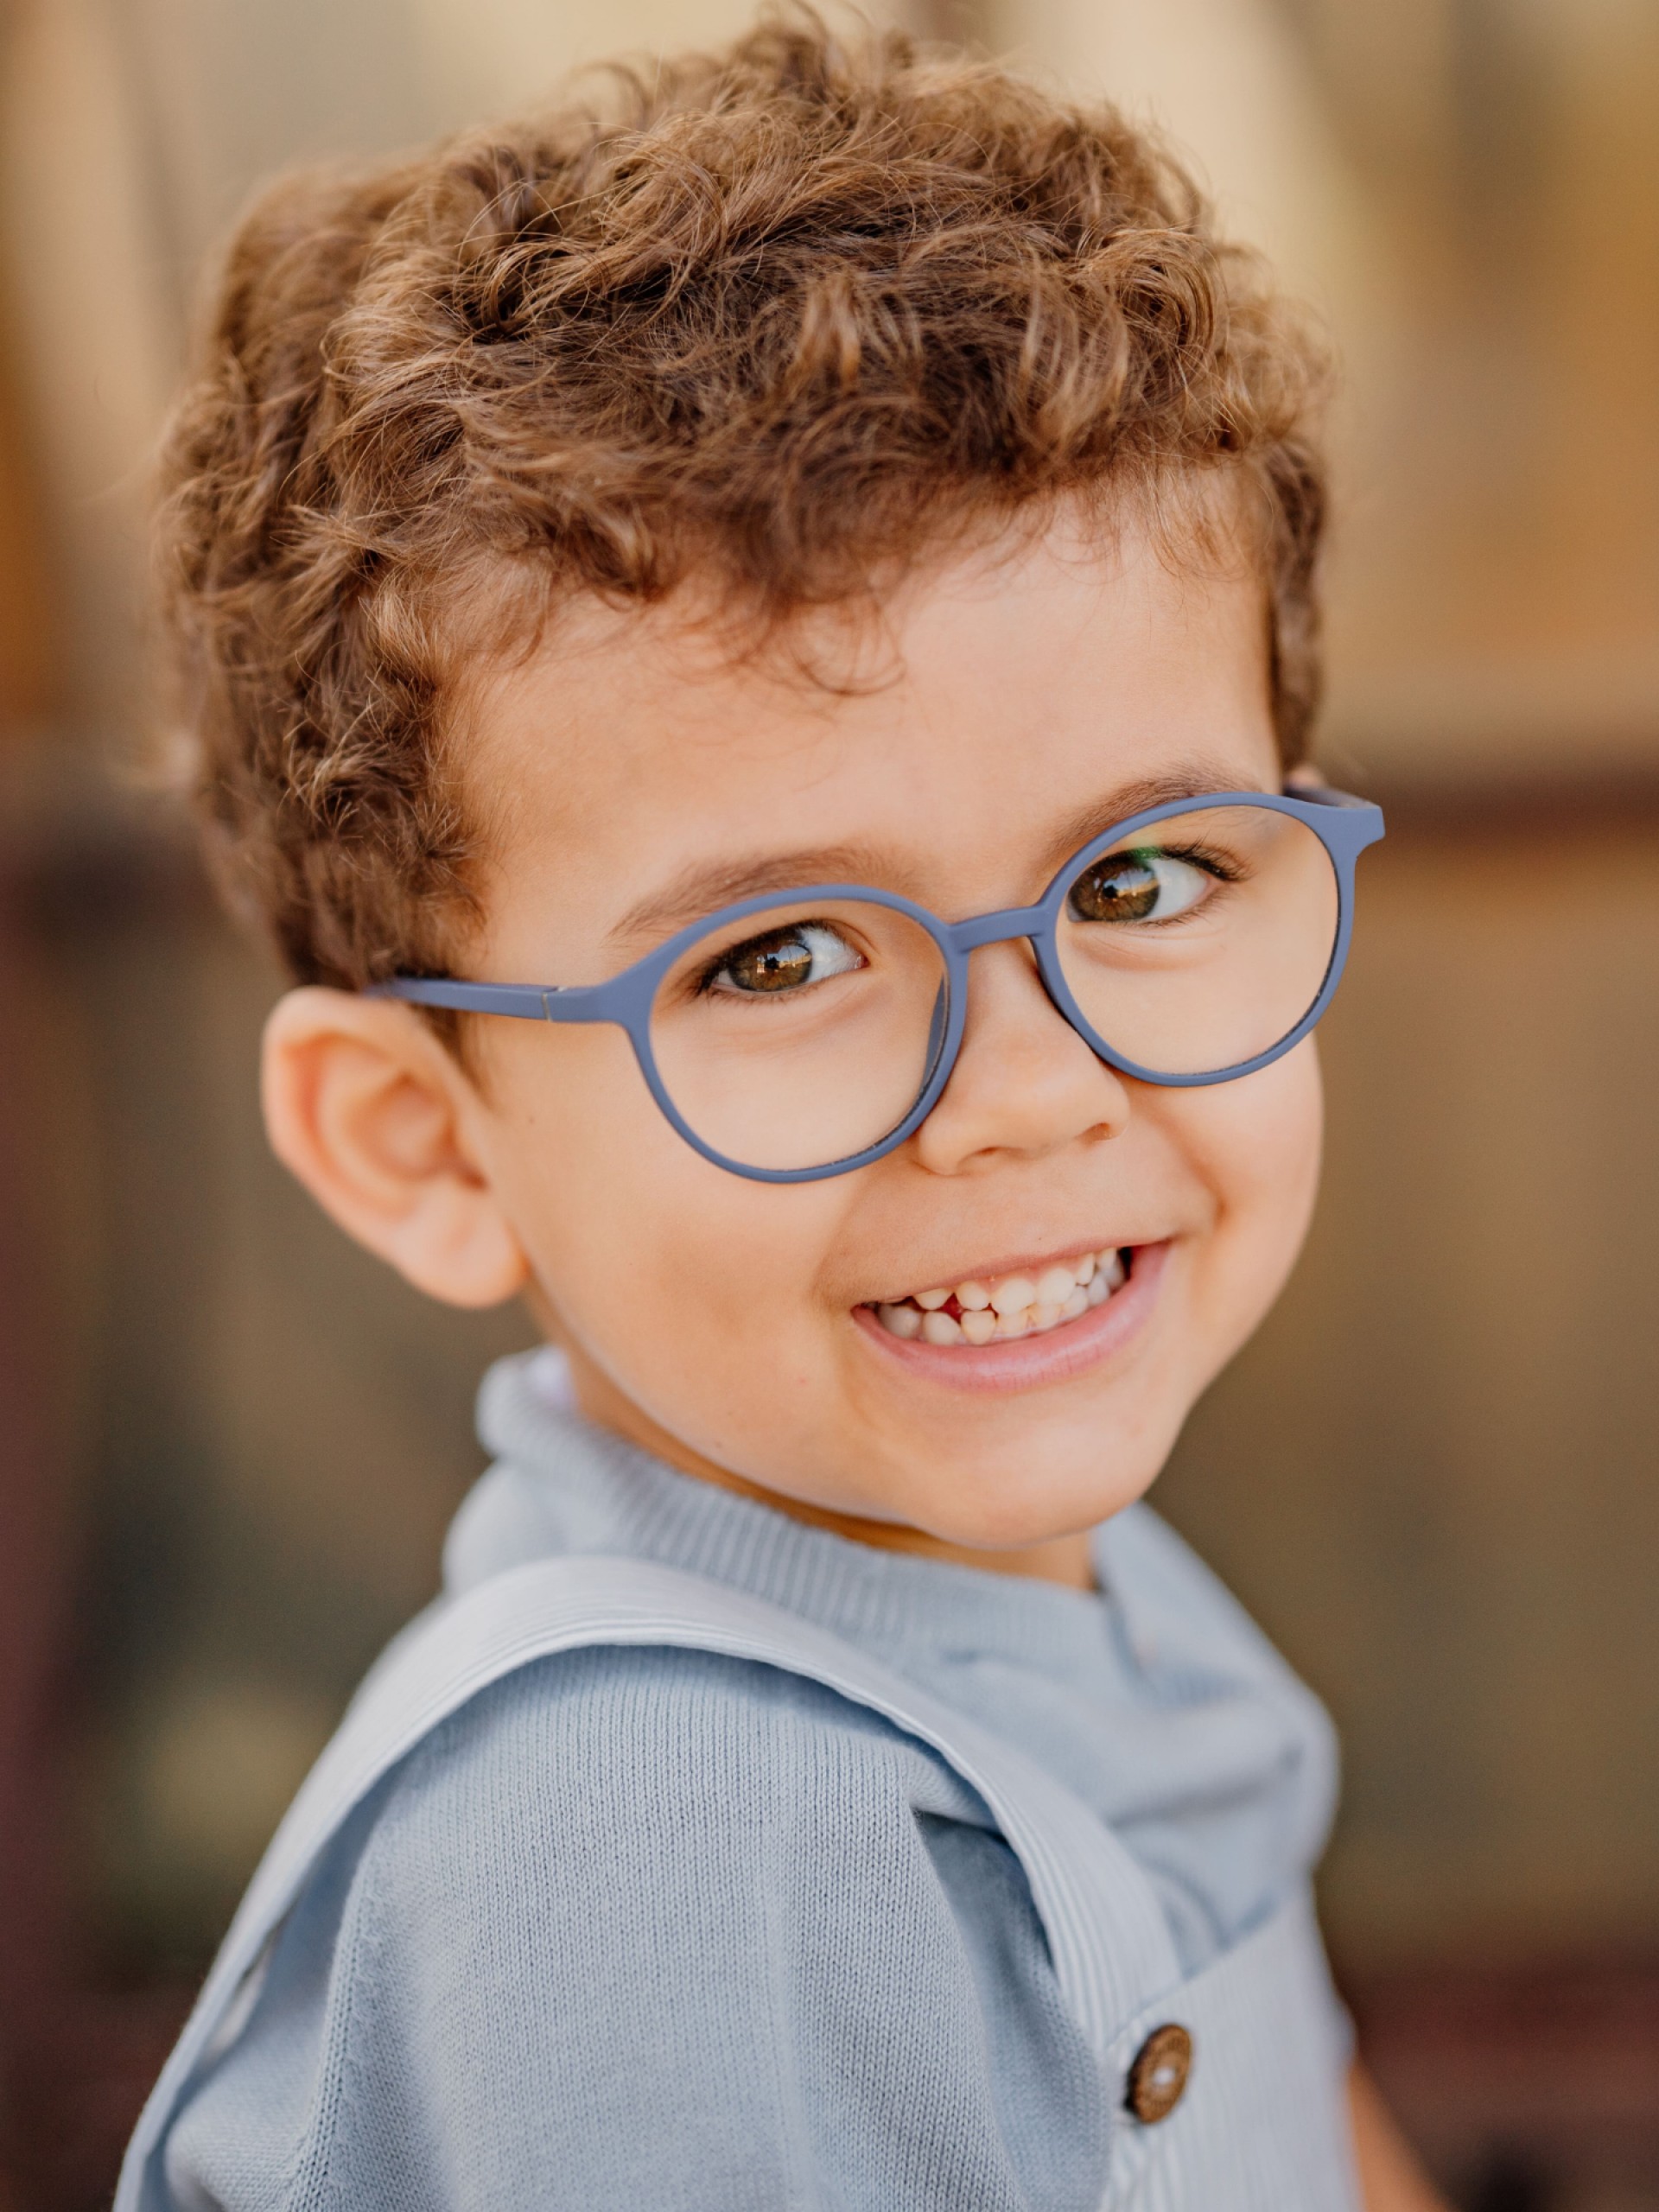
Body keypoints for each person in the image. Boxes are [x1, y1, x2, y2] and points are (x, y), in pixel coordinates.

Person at [122, 13, 1448, 2208]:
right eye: (778, 958)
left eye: (1139, 879)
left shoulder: (1051, 1563)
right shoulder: (656, 1842)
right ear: (426, 1142)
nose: (1023, 1093)